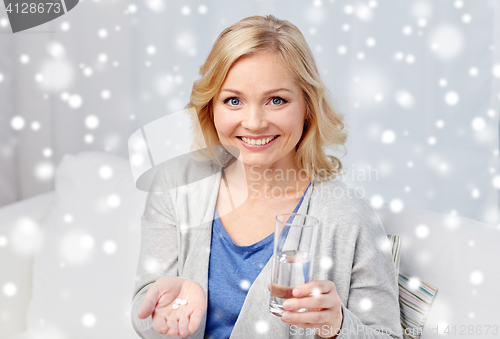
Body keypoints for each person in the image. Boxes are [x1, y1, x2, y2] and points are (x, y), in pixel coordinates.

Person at [131, 15, 402, 339]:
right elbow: (143, 313)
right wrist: (163, 309)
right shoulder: (175, 185)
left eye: (276, 100)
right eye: (233, 100)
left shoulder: (350, 217)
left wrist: (338, 326)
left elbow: (387, 335)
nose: (255, 122)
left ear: (307, 107)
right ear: (211, 108)